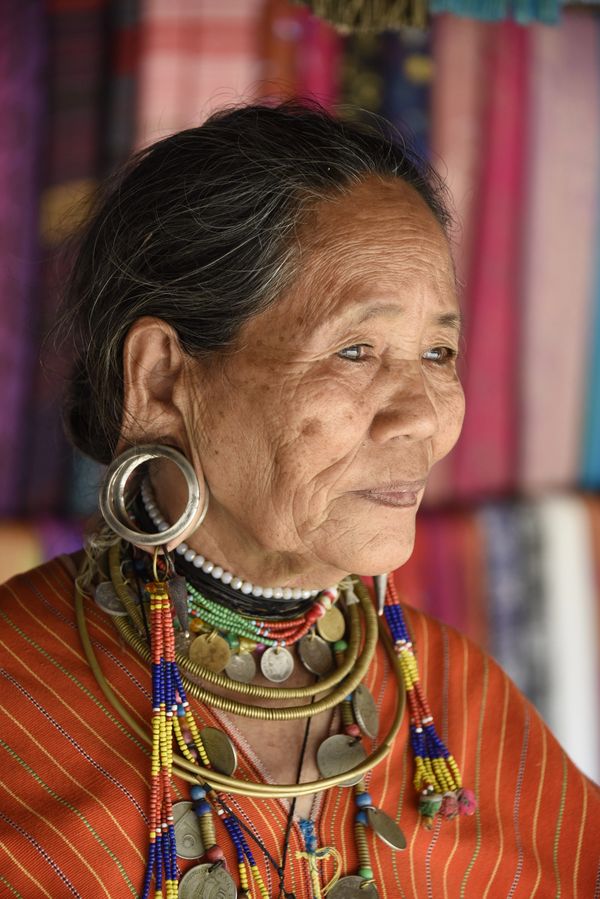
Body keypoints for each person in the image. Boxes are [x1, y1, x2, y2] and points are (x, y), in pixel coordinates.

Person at [0, 99, 598, 899]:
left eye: (438, 351)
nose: (423, 413)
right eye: (357, 350)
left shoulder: (460, 701)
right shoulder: (19, 700)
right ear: (162, 378)